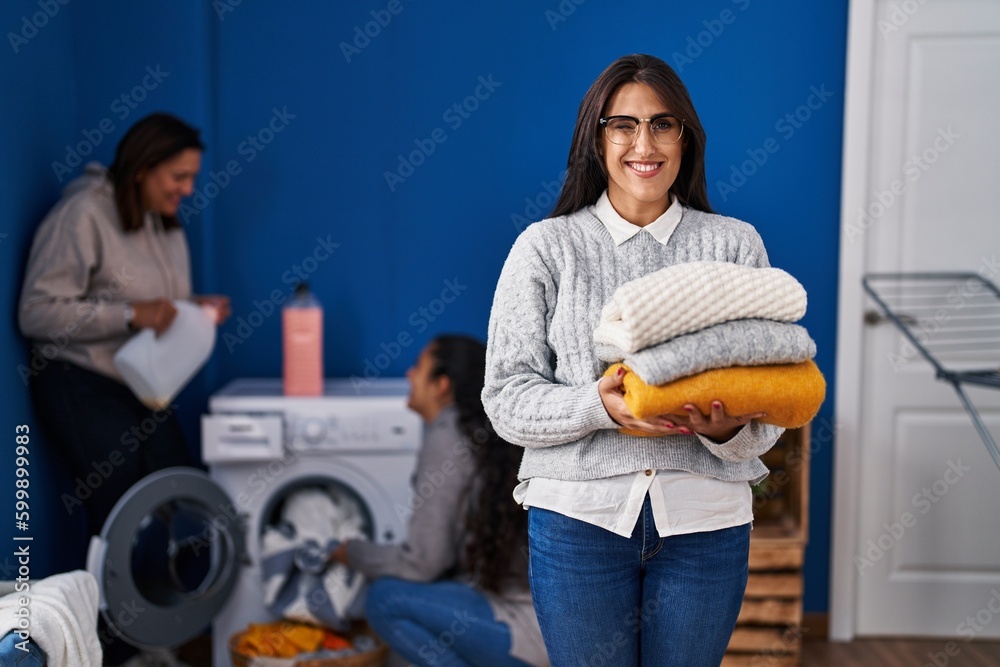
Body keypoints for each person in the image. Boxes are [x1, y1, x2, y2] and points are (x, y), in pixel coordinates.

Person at [481, 54, 785, 666]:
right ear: (596, 139)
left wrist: (724, 426)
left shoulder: (734, 244)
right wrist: (600, 406)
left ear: (685, 139)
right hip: (577, 523)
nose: (643, 143)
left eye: (663, 124)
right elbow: (506, 399)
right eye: (623, 125)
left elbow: (771, 409)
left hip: (706, 522)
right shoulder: (546, 247)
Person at [18, 113, 230, 548]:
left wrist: (193, 309)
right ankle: (111, 615)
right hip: (81, 382)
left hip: (143, 385)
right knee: (120, 510)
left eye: (191, 178)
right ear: (142, 168)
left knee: (183, 497)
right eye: (179, 176)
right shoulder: (82, 215)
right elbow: (36, 312)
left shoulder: (163, 222)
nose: (188, 189)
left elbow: (158, 306)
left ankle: (172, 612)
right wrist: (131, 314)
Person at [329, 335, 548, 667]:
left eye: (419, 367)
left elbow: (423, 563)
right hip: (544, 626)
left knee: (384, 599)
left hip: (524, 633)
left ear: (441, 386)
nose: (409, 375)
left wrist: (352, 552)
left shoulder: (448, 435)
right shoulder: (482, 435)